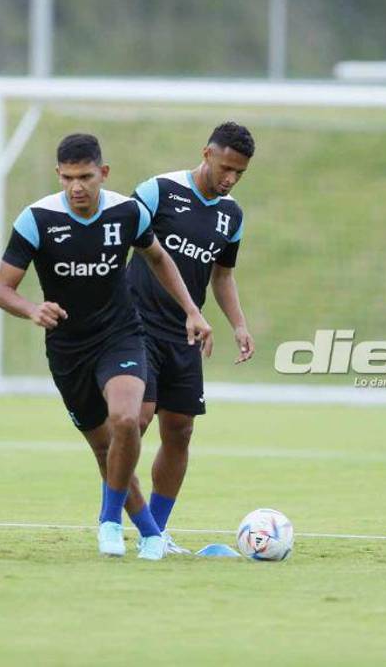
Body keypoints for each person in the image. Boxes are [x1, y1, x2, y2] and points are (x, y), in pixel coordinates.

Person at [0, 133, 212, 560]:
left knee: (127, 419)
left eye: (86, 177)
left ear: (103, 174)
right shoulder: (36, 219)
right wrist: (32, 309)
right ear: (59, 175)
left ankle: (109, 521)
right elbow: (2, 290)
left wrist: (191, 309)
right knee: (104, 446)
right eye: (68, 178)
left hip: (121, 334)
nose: (77, 187)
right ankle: (148, 531)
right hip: (68, 349)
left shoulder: (128, 212)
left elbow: (159, 258)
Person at [128, 122, 255, 553]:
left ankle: (157, 532)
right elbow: (114, 244)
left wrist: (238, 323)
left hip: (185, 334)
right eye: (226, 168)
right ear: (206, 153)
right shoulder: (157, 191)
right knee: (137, 420)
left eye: (239, 173)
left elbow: (222, 274)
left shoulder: (231, 215)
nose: (230, 179)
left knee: (179, 431)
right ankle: (116, 517)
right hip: (138, 325)